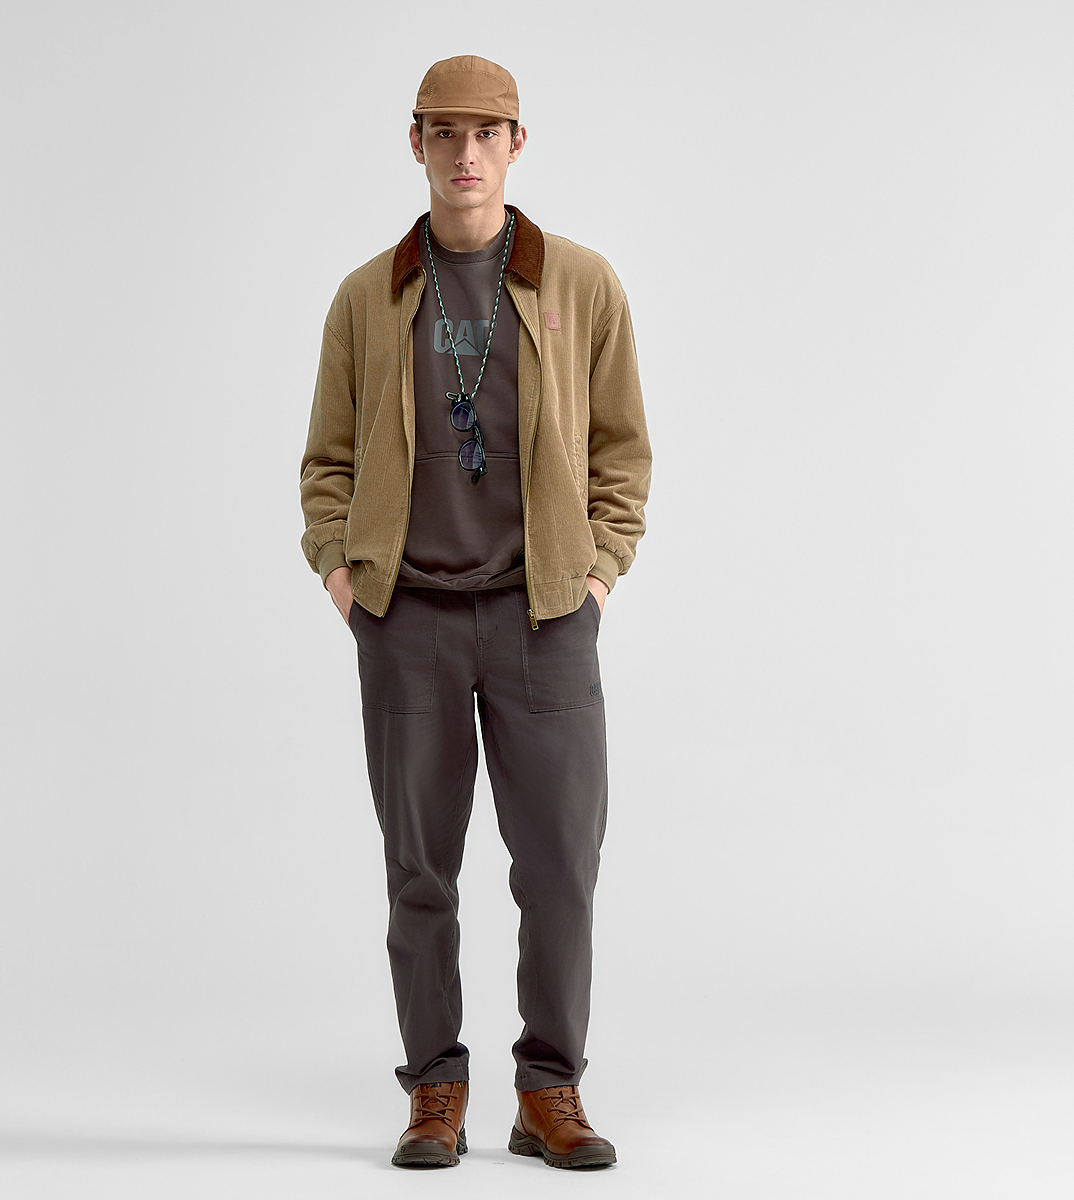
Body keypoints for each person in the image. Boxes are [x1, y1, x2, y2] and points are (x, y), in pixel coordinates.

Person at [298, 54, 651, 1169]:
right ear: (415, 144)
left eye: (486, 133)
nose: (465, 154)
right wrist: (344, 576)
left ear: (516, 145)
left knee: (560, 867)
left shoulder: (579, 283)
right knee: (420, 870)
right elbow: (327, 462)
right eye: (444, 133)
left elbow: (622, 450)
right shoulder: (368, 296)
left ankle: (549, 1089)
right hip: (408, 621)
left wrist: (598, 572)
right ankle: (434, 1089)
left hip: (545, 617)